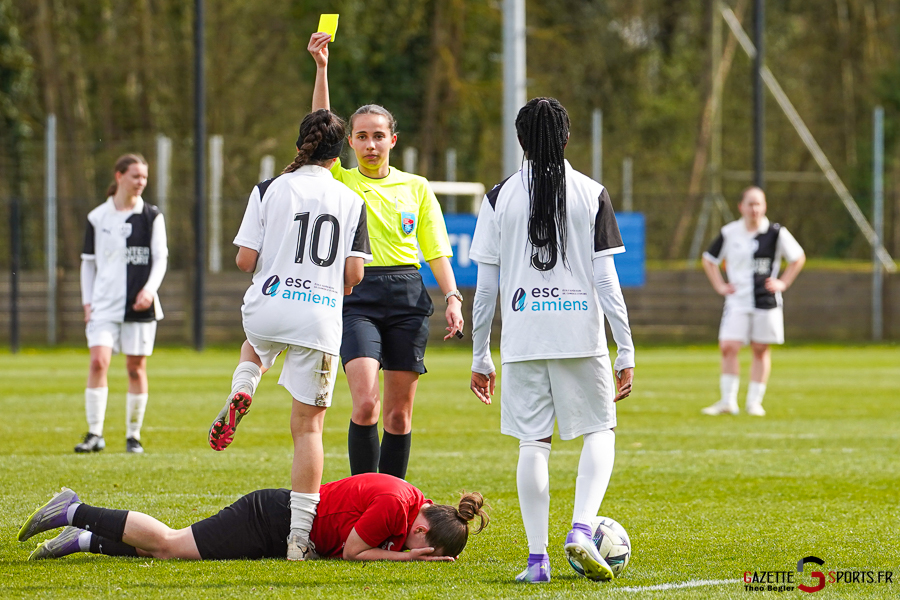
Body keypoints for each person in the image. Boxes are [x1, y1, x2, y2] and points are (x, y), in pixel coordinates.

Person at [468, 98, 635, 583]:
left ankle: (537, 561)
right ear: (566, 138)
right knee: (599, 431)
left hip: (523, 339)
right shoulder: (591, 192)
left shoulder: (499, 197)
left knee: (532, 444)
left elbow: (486, 290)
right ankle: (581, 530)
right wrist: (625, 346)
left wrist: (481, 355)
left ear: (521, 139)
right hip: (581, 337)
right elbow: (607, 282)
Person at [206, 109, 372, 561]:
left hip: (269, 306)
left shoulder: (269, 188)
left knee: (255, 344)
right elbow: (353, 273)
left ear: (301, 143)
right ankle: (299, 540)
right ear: (339, 156)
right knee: (308, 430)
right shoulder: (351, 200)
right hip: (318, 317)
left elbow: (244, 260)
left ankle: (243, 388)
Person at [306, 32, 464, 482]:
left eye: (379, 136)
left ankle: (394, 505)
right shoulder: (340, 181)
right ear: (349, 143)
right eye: (361, 137)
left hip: (407, 298)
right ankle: (362, 496)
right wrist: (321, 67)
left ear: (393, 139)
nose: (371, 144)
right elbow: (320, 122)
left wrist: (452, 296)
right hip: (356, 296)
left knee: (398, 417)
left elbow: (435, 250)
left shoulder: (416, 187)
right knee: (365, 403)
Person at [17, 473, 489, 562]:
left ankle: (83, 539)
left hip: (278, 525)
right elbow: (351, 553)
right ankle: (72, 509)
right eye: (422, 549)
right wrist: (406, 561)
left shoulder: (415, 503)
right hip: (270, 517)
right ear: (423, 529)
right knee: (168, 543)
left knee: (169, 552)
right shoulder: (396, 506)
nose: (416, 552)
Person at [76, 154, 168, 455]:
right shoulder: (97, 217)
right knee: (98, 361)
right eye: (135, 176)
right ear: (119, 176)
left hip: (139, 307)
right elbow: (88, 265)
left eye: (144, 177)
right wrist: (87, 303)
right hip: (104, 305)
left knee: (135, 368)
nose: (141, 182)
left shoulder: (152, 216)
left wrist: (149, 291)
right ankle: (94, 434)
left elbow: (160, 259)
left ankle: (133, 435)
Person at [700, 186, 805, 417]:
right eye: (750, 203)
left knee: (760, 349)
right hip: (737, 300)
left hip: (765, 301)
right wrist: (719, 285)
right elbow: (709, 260)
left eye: (759, 204)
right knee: (728, 346)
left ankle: (754, 402)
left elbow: (797, 258)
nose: (754, 208)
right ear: (741, 206)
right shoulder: (730, 232)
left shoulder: (776, 232)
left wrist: (783, 283)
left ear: (764, 206)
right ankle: (728, 401)